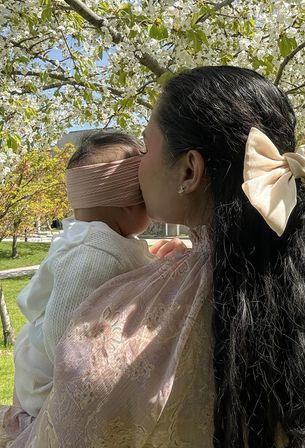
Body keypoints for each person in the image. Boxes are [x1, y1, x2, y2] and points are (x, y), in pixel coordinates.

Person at [5, 66, 305, 448]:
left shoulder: (129, 309)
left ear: (189, 171)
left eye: (146, 146)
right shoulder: (288, 277)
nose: (135, 165)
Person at [3, 131, 184, 438]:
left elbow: (125, 270)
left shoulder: (102, 240)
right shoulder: (93, 254)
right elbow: (62, 327)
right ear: (130, 203)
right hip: (50, 382)